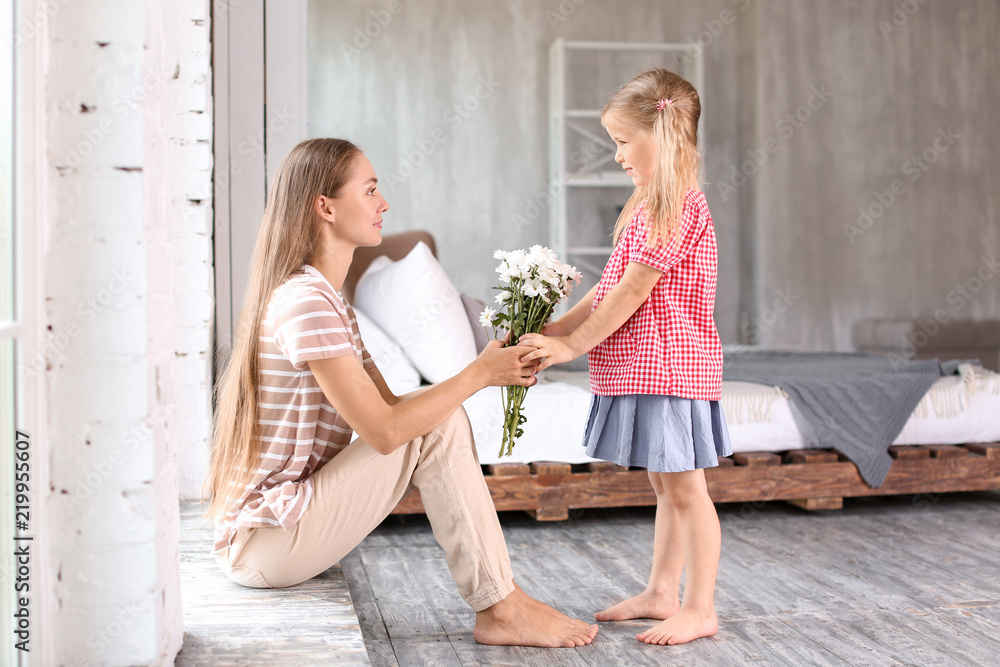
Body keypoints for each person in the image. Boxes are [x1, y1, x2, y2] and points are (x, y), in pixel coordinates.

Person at [204, 138, 598, 648]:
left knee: (439, 418)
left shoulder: (327, 300)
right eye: (369, 190)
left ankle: (503, 605)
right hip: (265, 546)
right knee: (439, 420)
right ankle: (502, 608)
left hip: (274, 537)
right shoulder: (306, 303)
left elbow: (392, 407)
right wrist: (478, 374)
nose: (383, 203)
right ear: (325, 207)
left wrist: (494, 363)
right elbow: (386, 433)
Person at [519, 69, 731, 646]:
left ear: (661, 137)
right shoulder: (646, 204)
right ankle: (664, 592)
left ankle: (701, 606)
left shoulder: (676, 206)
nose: (615, 156)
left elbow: (636, 290)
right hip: (647, 363)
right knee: (667, 486)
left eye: (620, 141)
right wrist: (561, 324)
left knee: (688, 489)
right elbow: (613, 283)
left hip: (671, 365)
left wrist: (568, 346)